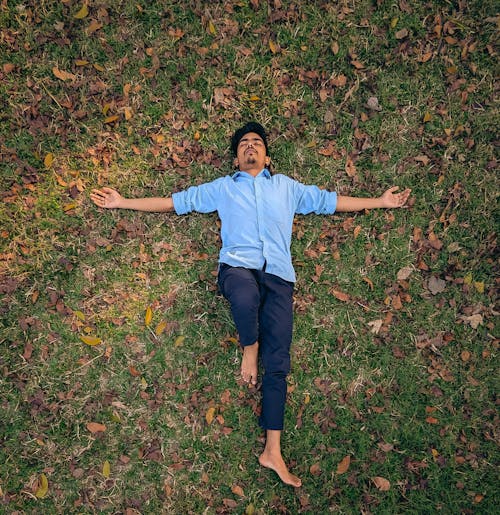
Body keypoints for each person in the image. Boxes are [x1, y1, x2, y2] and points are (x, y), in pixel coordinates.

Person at [90, 122, 411, 488]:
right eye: (244, 144)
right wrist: (122, 201)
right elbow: (176, 202)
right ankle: (249, 347)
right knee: (244, 296)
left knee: (279, 363)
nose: (250, 147)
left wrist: (381, 201)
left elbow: (330, 202)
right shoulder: (223, 188)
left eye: (256, 143)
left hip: (278, 276)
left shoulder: (287, 188)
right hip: (237, 268)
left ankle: (272, 450)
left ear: (267, 156)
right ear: (237, 158)